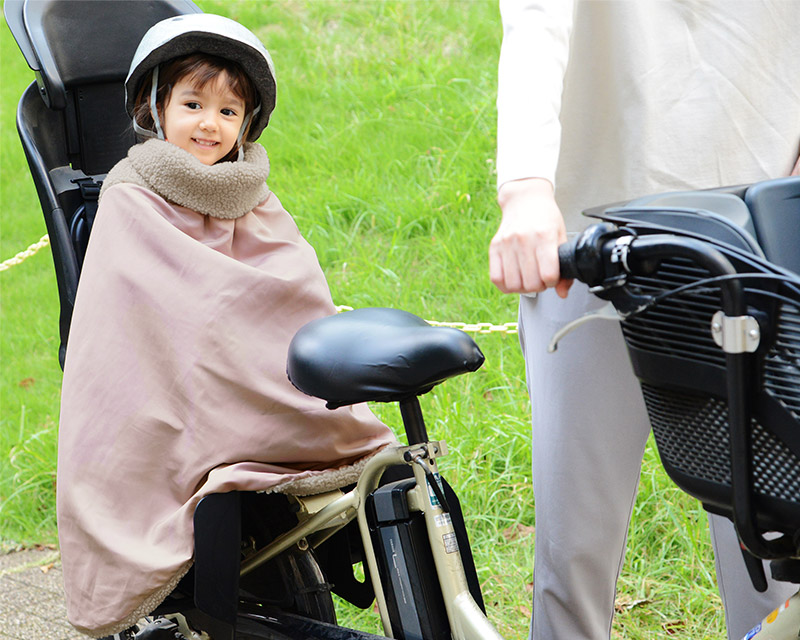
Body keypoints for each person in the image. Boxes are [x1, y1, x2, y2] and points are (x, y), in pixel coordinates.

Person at [56, 14, 396, 638]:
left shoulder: (253, 195)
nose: (209, 124)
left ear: (247, 124)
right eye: (192, 104)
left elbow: (289, 287)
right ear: (155, 109)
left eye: (228, 112)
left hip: (261, 372)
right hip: (182, 386)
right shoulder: (132, 198)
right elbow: (155, 317)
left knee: (391, 472)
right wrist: (229, 332)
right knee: (204, 365)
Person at [489, 1, 800, 639]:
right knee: (573, 551)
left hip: (755, 232)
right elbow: (537, 23)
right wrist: (524, 189)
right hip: (590, 239)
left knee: (776, 555)